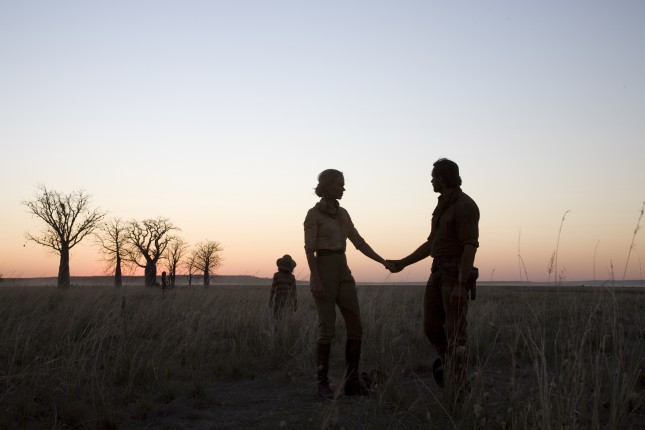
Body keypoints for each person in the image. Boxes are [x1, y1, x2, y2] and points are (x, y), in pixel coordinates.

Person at [386, 158, 479, 387]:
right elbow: (431, 244)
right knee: (431, 327)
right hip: (436, 273)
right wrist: (403, 263)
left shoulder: (465, 205)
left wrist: (461, 284)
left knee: (456, 332)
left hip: (453, 275)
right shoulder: (441, 206)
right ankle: (449, 366)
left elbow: (470, 246)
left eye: (433, 177)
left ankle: (459, 386)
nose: (431, 181)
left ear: (443, 178)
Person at [304, 169, 389, 399]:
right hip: (323, 268)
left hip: (343, 268)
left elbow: (359, 242)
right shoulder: (313, 214)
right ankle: (322, 384)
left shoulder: (343, 214)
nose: (343, 188)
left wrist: (382, 261)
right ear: (326, 187)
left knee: (355, 325)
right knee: (327, 329)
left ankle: (352, 382)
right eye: (339, 184)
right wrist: (316, 279)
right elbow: (309, 250)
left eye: (343, 184)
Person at [269, 254, 298, 318]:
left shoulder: (277, 275)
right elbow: (294, 292)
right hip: (284, 299)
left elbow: (273, 289)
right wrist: (295, 303)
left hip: (282, 299)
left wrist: (270, 300)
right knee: (285, 317)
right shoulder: (291, 277)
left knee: (278, 317)